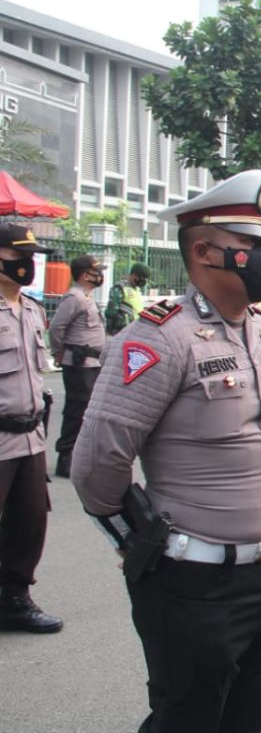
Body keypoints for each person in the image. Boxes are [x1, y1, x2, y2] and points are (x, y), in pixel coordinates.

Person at [72, 169, 261, 733]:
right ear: (203, 250)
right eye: (250, 246)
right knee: (188, 720)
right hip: (194, 583)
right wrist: (139, 542)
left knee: (244, 720)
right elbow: (98, 464)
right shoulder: (159, 337)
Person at [0, 224, 61, 635]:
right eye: (18, 256)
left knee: (29, 520)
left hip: (30, 436)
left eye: (30, 256)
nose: (26, 264)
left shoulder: (33, 309)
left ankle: (13, 598)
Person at [48, 254, 105, 478]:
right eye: (96, 271)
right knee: (77, 410)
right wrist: (58, 352)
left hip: (92, 363)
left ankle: (80, 455)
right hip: (79, 363)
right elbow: (56, 328)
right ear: (84, 275)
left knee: (88, 410)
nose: (100, 275)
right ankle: (66, 457)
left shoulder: (86, 297)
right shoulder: (75, 298)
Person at [105, 262, 150, 335]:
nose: (143, 281)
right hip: (122, 331)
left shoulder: (136, 290)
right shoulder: (119, 288)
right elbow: (111, 312)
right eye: (141, 278)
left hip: (136, 329)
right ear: (134, 275)